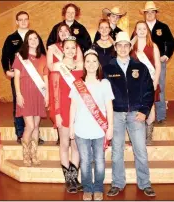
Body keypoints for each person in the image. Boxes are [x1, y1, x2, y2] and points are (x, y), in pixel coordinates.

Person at [103, 32, 156, 197]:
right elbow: (103, 94)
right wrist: (108, 115)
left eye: (126, 45)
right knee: (117, 151)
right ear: (115, 47)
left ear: (130, 47)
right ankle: (117, 183)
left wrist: (144, 111)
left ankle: (145, 183)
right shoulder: (107, 69)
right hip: (116, 115)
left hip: (136, 114)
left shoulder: (140, 67)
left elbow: (149, 91)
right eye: (120, 45)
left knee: (140, 149)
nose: (123, 48)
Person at [69, 49, 114, 201]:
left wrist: (110, 128)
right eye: (88, 61)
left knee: (100, 161)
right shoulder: (77, 84)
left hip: (100, 130)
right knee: (85, 161)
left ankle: (98, 188)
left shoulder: (105, 83)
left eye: (94, 61)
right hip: (81, 129)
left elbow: (109, 107)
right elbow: (73, 107)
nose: (91, 64)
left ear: (98, 64)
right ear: (84, 64)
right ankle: (88, 188)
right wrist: (71, 127)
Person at [1, 11, 45, 144]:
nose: (24, 22)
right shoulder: (11, 38)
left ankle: (34, 133)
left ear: (29, 20)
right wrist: (7, 71)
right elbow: (5, 57)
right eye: (21, 20)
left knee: (36, 107)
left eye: (26, 19)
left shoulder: (34, 36)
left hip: (35, 79)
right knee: (19, 103)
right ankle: (20, 132)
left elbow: (42, 54)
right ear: (17, 22)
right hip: (19, 77)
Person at [50, 36, 83, 193]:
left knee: (76, 145)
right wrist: (56, 113)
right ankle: (68, 179)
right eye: (67, 47)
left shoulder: (81, 67)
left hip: (78, 111)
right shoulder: (57, 66)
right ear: (62, 49)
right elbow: (54, 91)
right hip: (63, 108)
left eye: (73, 48)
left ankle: (74, 177)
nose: (70, 50)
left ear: (76, 49)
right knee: (64, 144)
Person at [13, 30, 49, 167]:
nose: (33, 40)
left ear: (39, 41)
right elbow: (16, 77)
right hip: (25, 94)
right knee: (30, 125)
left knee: (36, 127)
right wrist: (18, 94)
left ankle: (34, 154)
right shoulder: (21, 56)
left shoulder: (43, 58)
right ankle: (26, 154)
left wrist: (47, 95)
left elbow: (45, 77)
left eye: (36, 38)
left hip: (39, 94)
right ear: (26, 41)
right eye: (30, 38)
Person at [47, 23, 83, 145]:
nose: (63, 33)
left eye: (66, 31)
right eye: (60, 31)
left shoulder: (76, 47)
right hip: (59, 84)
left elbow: (81, 66)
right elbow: (50, 68)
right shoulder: (52, 48)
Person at [140, 1, 174, 123]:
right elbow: (132, 43)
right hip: (143, 64)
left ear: (156, 13)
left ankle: (160, 117)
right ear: (144, 14)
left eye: (152, 12)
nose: (149, 14)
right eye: (147, 12)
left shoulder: (163, 27)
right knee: (143, 88)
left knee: (159, 88)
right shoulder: (140, 27)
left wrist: (166, 55)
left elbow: (171, 42)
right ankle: (144, 115)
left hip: (159, 63)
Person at [131, 20, 161, 145]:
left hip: (150, 83)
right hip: (135, 84)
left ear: (147, 31)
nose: (142, 31)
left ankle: (148, 136)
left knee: (150, 108)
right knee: (136, 109)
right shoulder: (132, 46)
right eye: (139, 29)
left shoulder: (153, 45)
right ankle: (139, 136)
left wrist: (155, 83)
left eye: (144, 29)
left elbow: (158, 66)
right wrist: (132, 40)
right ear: (135, 31)